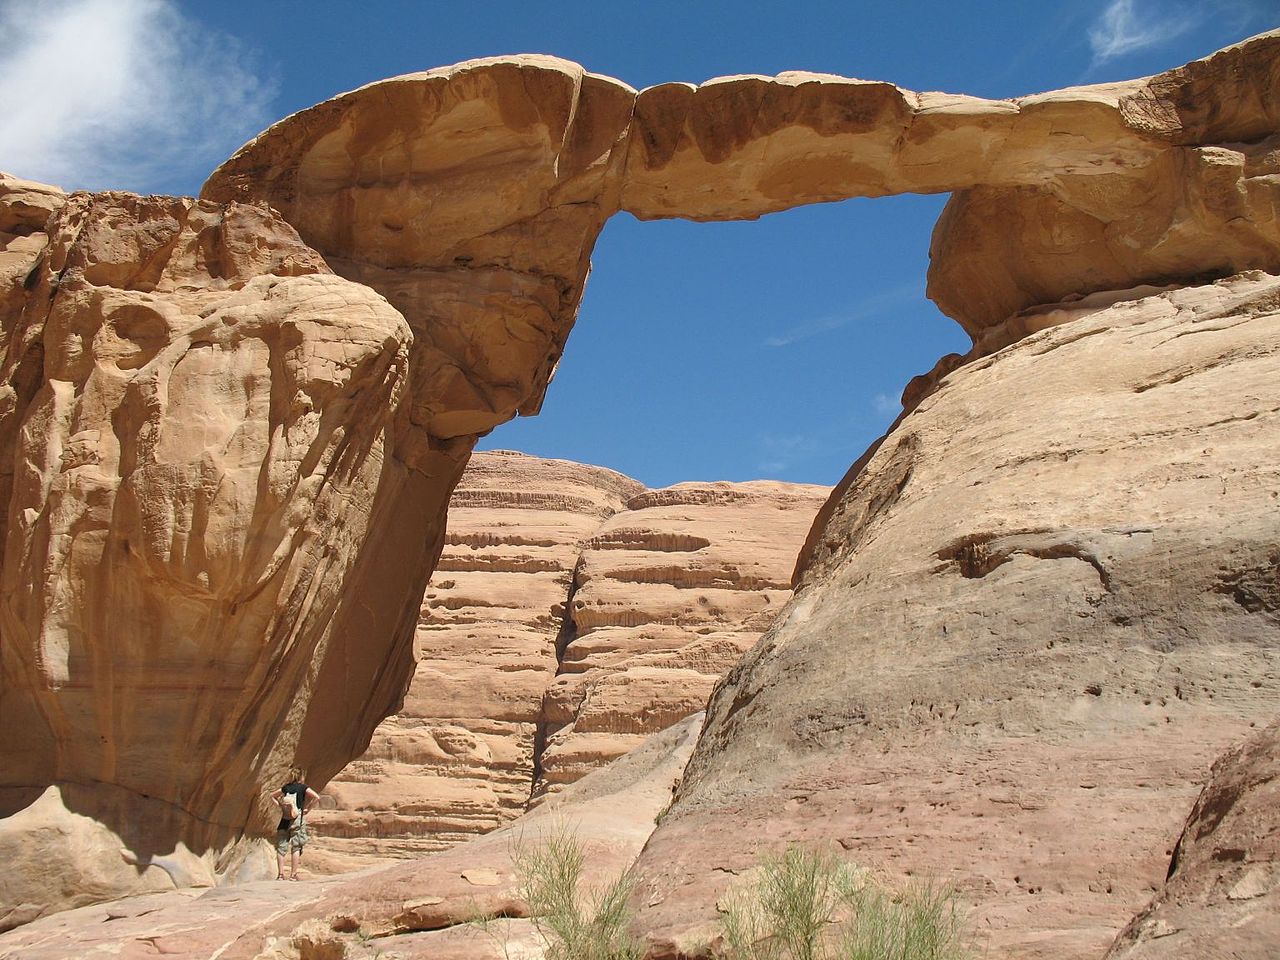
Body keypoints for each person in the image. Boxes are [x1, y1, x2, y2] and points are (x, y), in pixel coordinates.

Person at [270, 767, 321, 880]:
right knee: (296, 847)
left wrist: (281, 806)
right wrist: (308, 809)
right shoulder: (303, 787)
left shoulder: (286, 788)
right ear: (301, 776)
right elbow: (317, 797)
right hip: (296, 819)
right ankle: (293, 875)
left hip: (284, 819)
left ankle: (280, 875)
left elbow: (272, 796)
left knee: (281, 847)